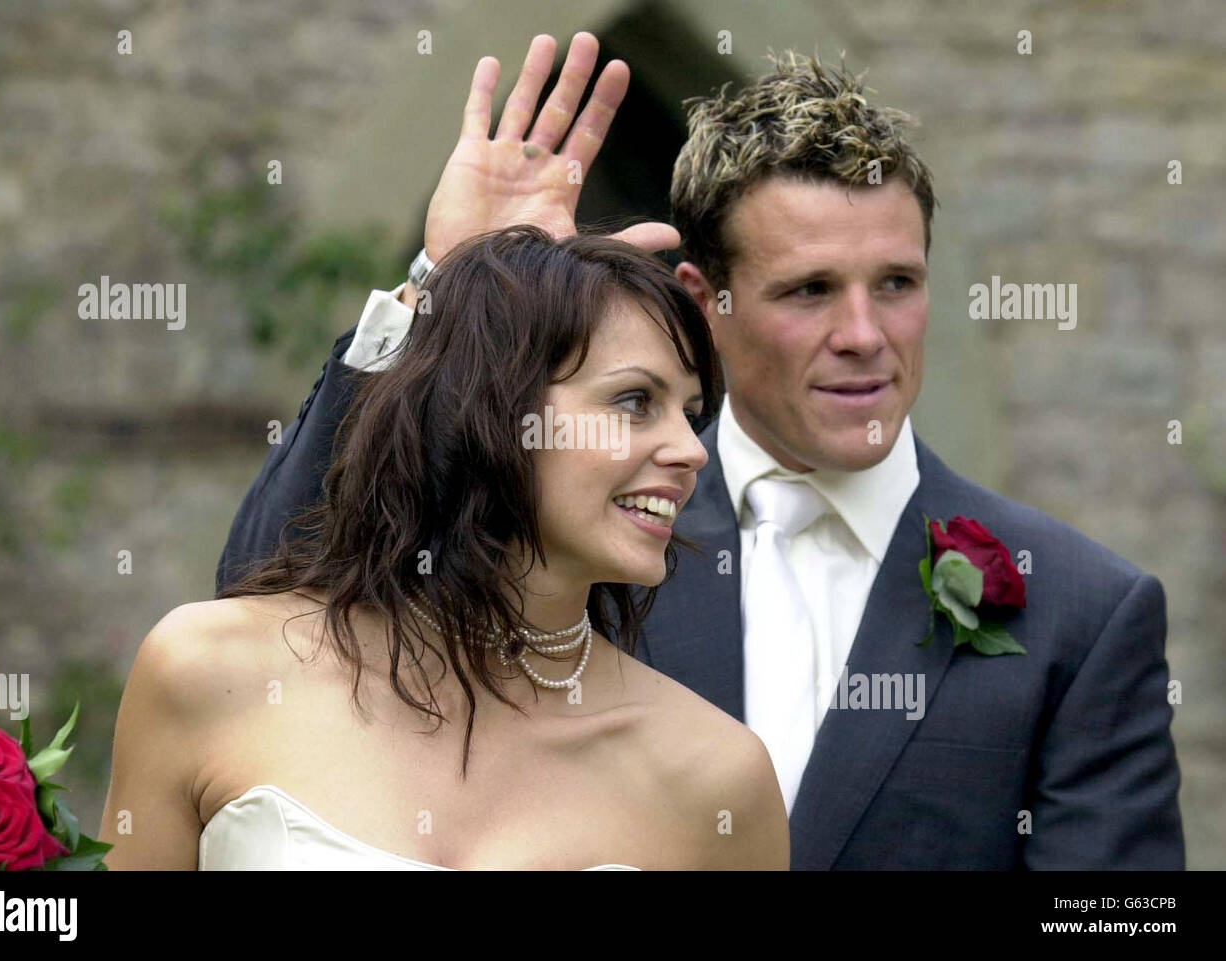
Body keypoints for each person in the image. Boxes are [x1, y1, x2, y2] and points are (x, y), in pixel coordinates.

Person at [217, 33, 1185, 868]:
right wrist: (444, 289)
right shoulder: (585, 531)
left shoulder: (1082, 609)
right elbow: (267, 595)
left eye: (895, 282)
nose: (863, 332)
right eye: (809, 290)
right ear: (701, 299)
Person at [99, 223, 791, 870]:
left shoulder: (719, 779)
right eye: (635, 401)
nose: (688, 450)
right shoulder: (208, 670)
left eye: (691, 413)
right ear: (492, 409)